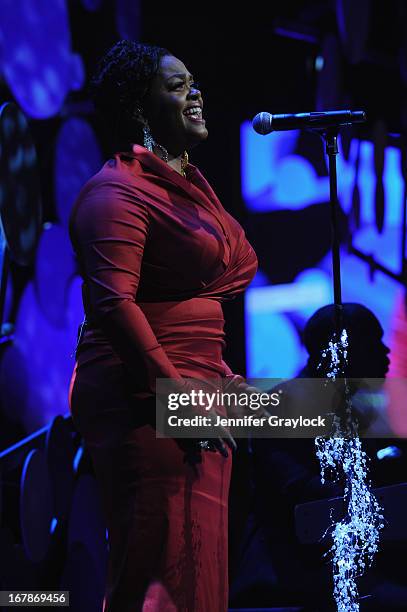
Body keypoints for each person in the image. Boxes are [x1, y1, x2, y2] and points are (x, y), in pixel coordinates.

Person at [67, 40, 258, 612]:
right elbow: (114, 304)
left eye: (194, 82)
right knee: (161, 568)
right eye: (175, 86)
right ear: (138, 105)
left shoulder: (191, 192)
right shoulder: (116, 193)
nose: (195, 93)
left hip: (198, 392)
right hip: (147, 397)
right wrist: (177, 396)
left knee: (198, 564)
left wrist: (220, 377)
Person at [230, 303, 407, 611]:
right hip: (295, 570)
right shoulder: (283, 406)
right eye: (373, 341)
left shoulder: (358, 410)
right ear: (341, 348)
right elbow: (299, 489)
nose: (386, 351)